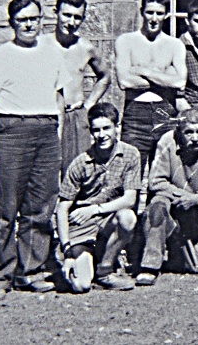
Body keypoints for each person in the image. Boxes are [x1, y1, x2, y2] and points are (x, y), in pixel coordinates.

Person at [0, 0, 66, 302]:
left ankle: (31, 271)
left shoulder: (52, 53)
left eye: (35, 19)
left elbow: (59, 100)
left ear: (42, 20)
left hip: (45, 133)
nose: (30, 25)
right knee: (5, 210)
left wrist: (58, 141)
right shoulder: (0, 56)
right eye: (23, 20)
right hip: (11, 132)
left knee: (40, 208)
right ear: (12, 23)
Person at [136, 109, 198, 285]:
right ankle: (150, 266)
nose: (194, 138)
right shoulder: (167, 141)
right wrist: (183, 195)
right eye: (188, 132)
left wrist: (196, 199)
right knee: (157, 205)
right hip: (172, 205)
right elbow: (156, 182)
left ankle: (174, 248)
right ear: (179, 132)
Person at [56, 103, 140, 292]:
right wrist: (67, 249)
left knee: (127, 218)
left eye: (106, 128)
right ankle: (82, 258)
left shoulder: (130, 154)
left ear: (117, 128)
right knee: (81, 285)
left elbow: (130, 199)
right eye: (96, 130)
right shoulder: (80, 163)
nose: (102, 135)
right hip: (83, 226)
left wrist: (95, 209)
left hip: (107, 220)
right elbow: (62, 208)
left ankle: (105, 269)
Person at [115, 0, 187, 188]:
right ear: (141, 12)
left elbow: (179, 82)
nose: (154, 18)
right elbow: (125, 81)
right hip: (135, 114)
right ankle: (130, 219)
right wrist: (164, 77)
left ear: (166, 15)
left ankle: (155, 220)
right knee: (130, 177)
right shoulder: (126, 41)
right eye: (150, 12)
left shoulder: (174, 45)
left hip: (165, 111)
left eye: (159, 13)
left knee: (161, 177)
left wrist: (141, 70)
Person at [40, 0, 111, 172]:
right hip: (45, 115)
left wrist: (88, 105)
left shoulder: (85, 47)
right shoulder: (40, 45)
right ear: (55, 12)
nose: (71, 22)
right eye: (66, 15)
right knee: (45, 171)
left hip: (75, 117)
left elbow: (105, 77)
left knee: (77, 171)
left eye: (77, 17)